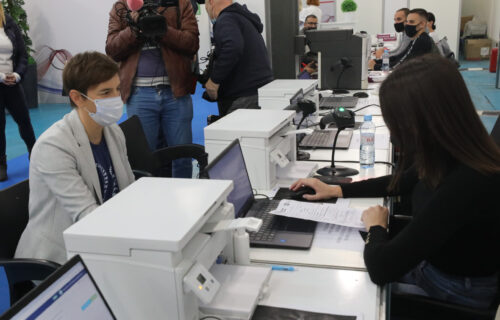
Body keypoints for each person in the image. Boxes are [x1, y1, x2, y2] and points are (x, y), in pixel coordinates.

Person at [291, 54, 500, 309]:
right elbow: (403, 181)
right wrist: (336, 189)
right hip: (439, 263)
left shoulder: (467, 183)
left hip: (451, 288)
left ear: (423, 120)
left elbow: (382, 268)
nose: (393, 131)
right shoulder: (457, 150)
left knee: (335, 291)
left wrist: (376, 227)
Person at [14, 52, 135, 264]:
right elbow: (86, 214)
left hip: (104, 238)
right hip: (59, 257)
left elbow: (129, 191)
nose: (116, 99)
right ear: (77, 98)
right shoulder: (53, 145)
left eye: (117, 89)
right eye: (105, 92)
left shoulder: (113, 131)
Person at [106, 0, 199, 178]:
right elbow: (112, 49)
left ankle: (185, 201)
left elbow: (192, 43)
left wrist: (162, 30)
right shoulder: (122, 7)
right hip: (140, 94)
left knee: (182, 158)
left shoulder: (179, 4)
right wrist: (134, 30)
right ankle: (148, 203)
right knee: (143, 160)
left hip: (176, 93)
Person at [204, 0, 273, 117]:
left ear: (211, 2)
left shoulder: (226, 19)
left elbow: (232, 47)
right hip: (259, 92)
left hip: (242, 98)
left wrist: (214, 81)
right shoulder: (242, 17)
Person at [0, 3, 36, 181]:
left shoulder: (9, 22)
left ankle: (35, 154)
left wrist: (17, 74)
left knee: (24, 120)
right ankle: (1, 164)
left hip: (13, 83)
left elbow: (22, 54)